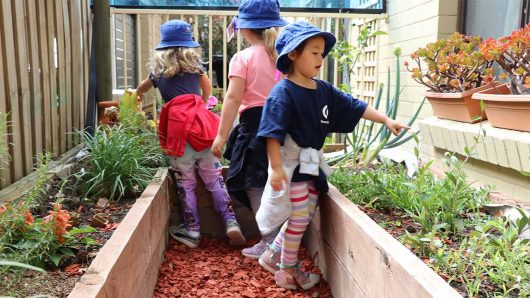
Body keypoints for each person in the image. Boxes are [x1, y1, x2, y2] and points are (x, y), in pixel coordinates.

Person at [255, 21, 409, 290]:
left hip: (311, 163)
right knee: (301, 216)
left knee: (306, 211)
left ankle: (272, 254)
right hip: (292, 165)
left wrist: (385, 119)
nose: (320, 58)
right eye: (314, 52)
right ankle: (287, 271)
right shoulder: (283, 94)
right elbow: (271, 133)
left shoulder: (323, 89)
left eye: (322, 53)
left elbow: (354, 106)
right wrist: (276, 168)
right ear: (293, 54)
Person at [136, 19, 246, 249]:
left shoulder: (157, 71)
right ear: (189, 45)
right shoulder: (196, 67)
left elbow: (141, 89)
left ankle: (192, 230)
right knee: (214, 178)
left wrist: (135, 97)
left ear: (163, 47)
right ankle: (231, 222)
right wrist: (200, 106)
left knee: (185, 182)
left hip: (177, 132)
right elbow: (207, 89)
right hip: (201, 127)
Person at [210, 0, 287, 258]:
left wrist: (221, 136)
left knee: (254, 183)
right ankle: (280, 240)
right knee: (277, 182)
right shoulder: (283, 56)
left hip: (255, 128)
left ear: (245, 29)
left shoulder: (242, 58)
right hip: (283, 125)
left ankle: (270, 241)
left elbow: (232, 98)